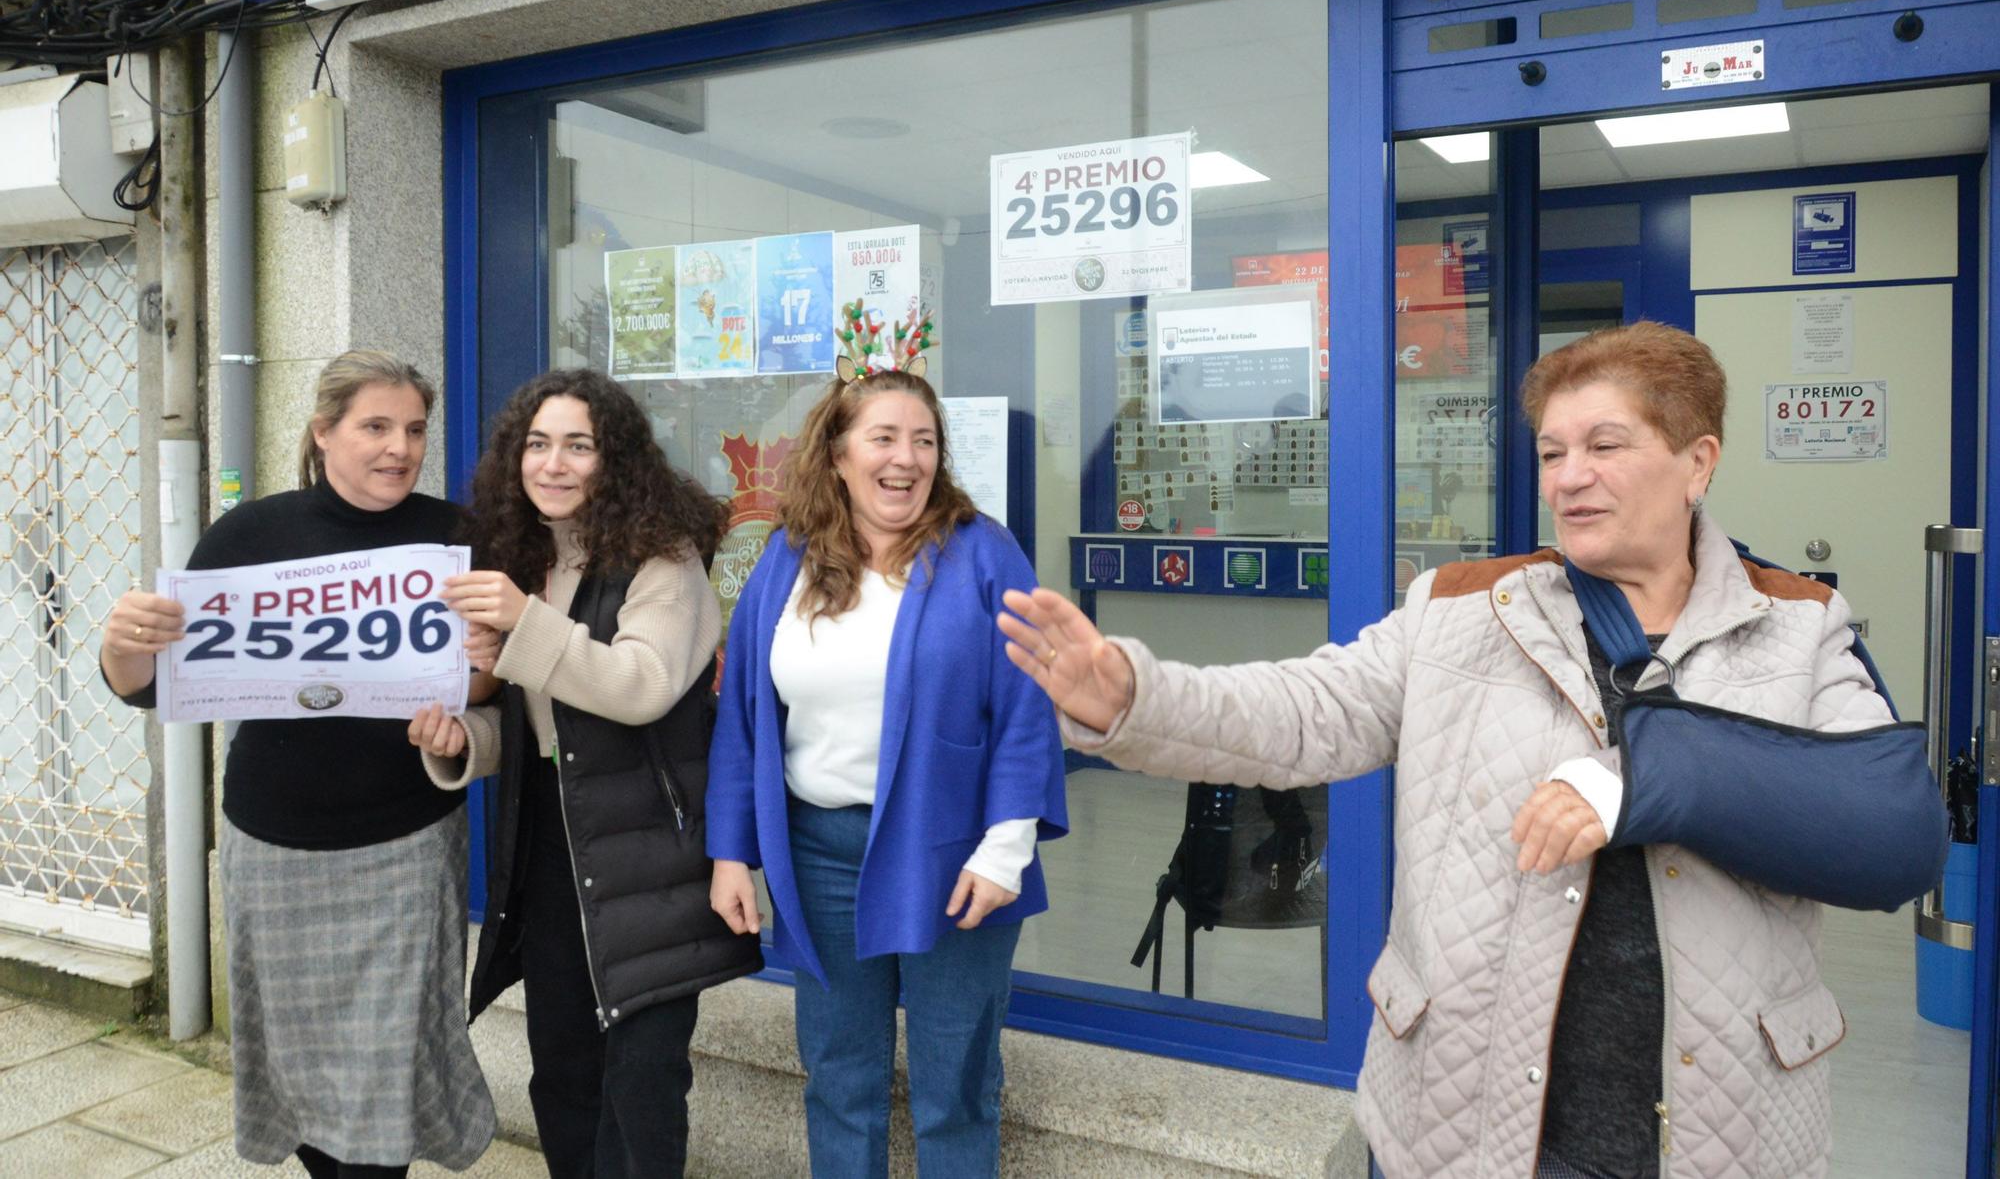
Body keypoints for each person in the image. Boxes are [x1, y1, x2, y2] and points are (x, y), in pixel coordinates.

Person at [997, 321, 1946, 1179]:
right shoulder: (1463, 609)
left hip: (1716, 1139)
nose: (1570, 476)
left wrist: (1646, 780)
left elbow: (1894, 835)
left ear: (1699, 461)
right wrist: (1135, 694)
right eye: (1553, 451)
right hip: (1464, 1129)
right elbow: (1303, 710)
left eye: (1605, 446)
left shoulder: (1799, 627)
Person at [100, 351, 496, 1178]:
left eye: (415, 428)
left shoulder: (455, 538)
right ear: (324, 433)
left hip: (404, 849)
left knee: (385, 1081)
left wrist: (467, 703)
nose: (400, 447)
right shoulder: (247, 535)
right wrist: (121, 647)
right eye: (376, 426)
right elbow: (150, 684)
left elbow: (489, 678)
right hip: (274, 851)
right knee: (304, 1068)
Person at [706, 365, 1067, 1177]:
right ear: (837, 454)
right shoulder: (785, 560)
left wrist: (1006, 847)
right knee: (838, 1075)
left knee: (955, 1084)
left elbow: (1026, 706)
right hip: (817, 851)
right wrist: (733, 851)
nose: (906, 458)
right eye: (884, 437)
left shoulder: (983, 552)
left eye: (924, 440)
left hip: (953, 853)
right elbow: (745, 716)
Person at [408, 368, 762, 1179]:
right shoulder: (529, 562)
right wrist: (461, 739)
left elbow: (637, 688)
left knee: (641, 1087)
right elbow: (548, 730)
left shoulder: (662, 560)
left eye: (578, 445)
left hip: (653, 867)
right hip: (556, 860)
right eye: (537, 444)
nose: (553, 464)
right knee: (561, 1071)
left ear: (616, 460)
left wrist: (522, 623)